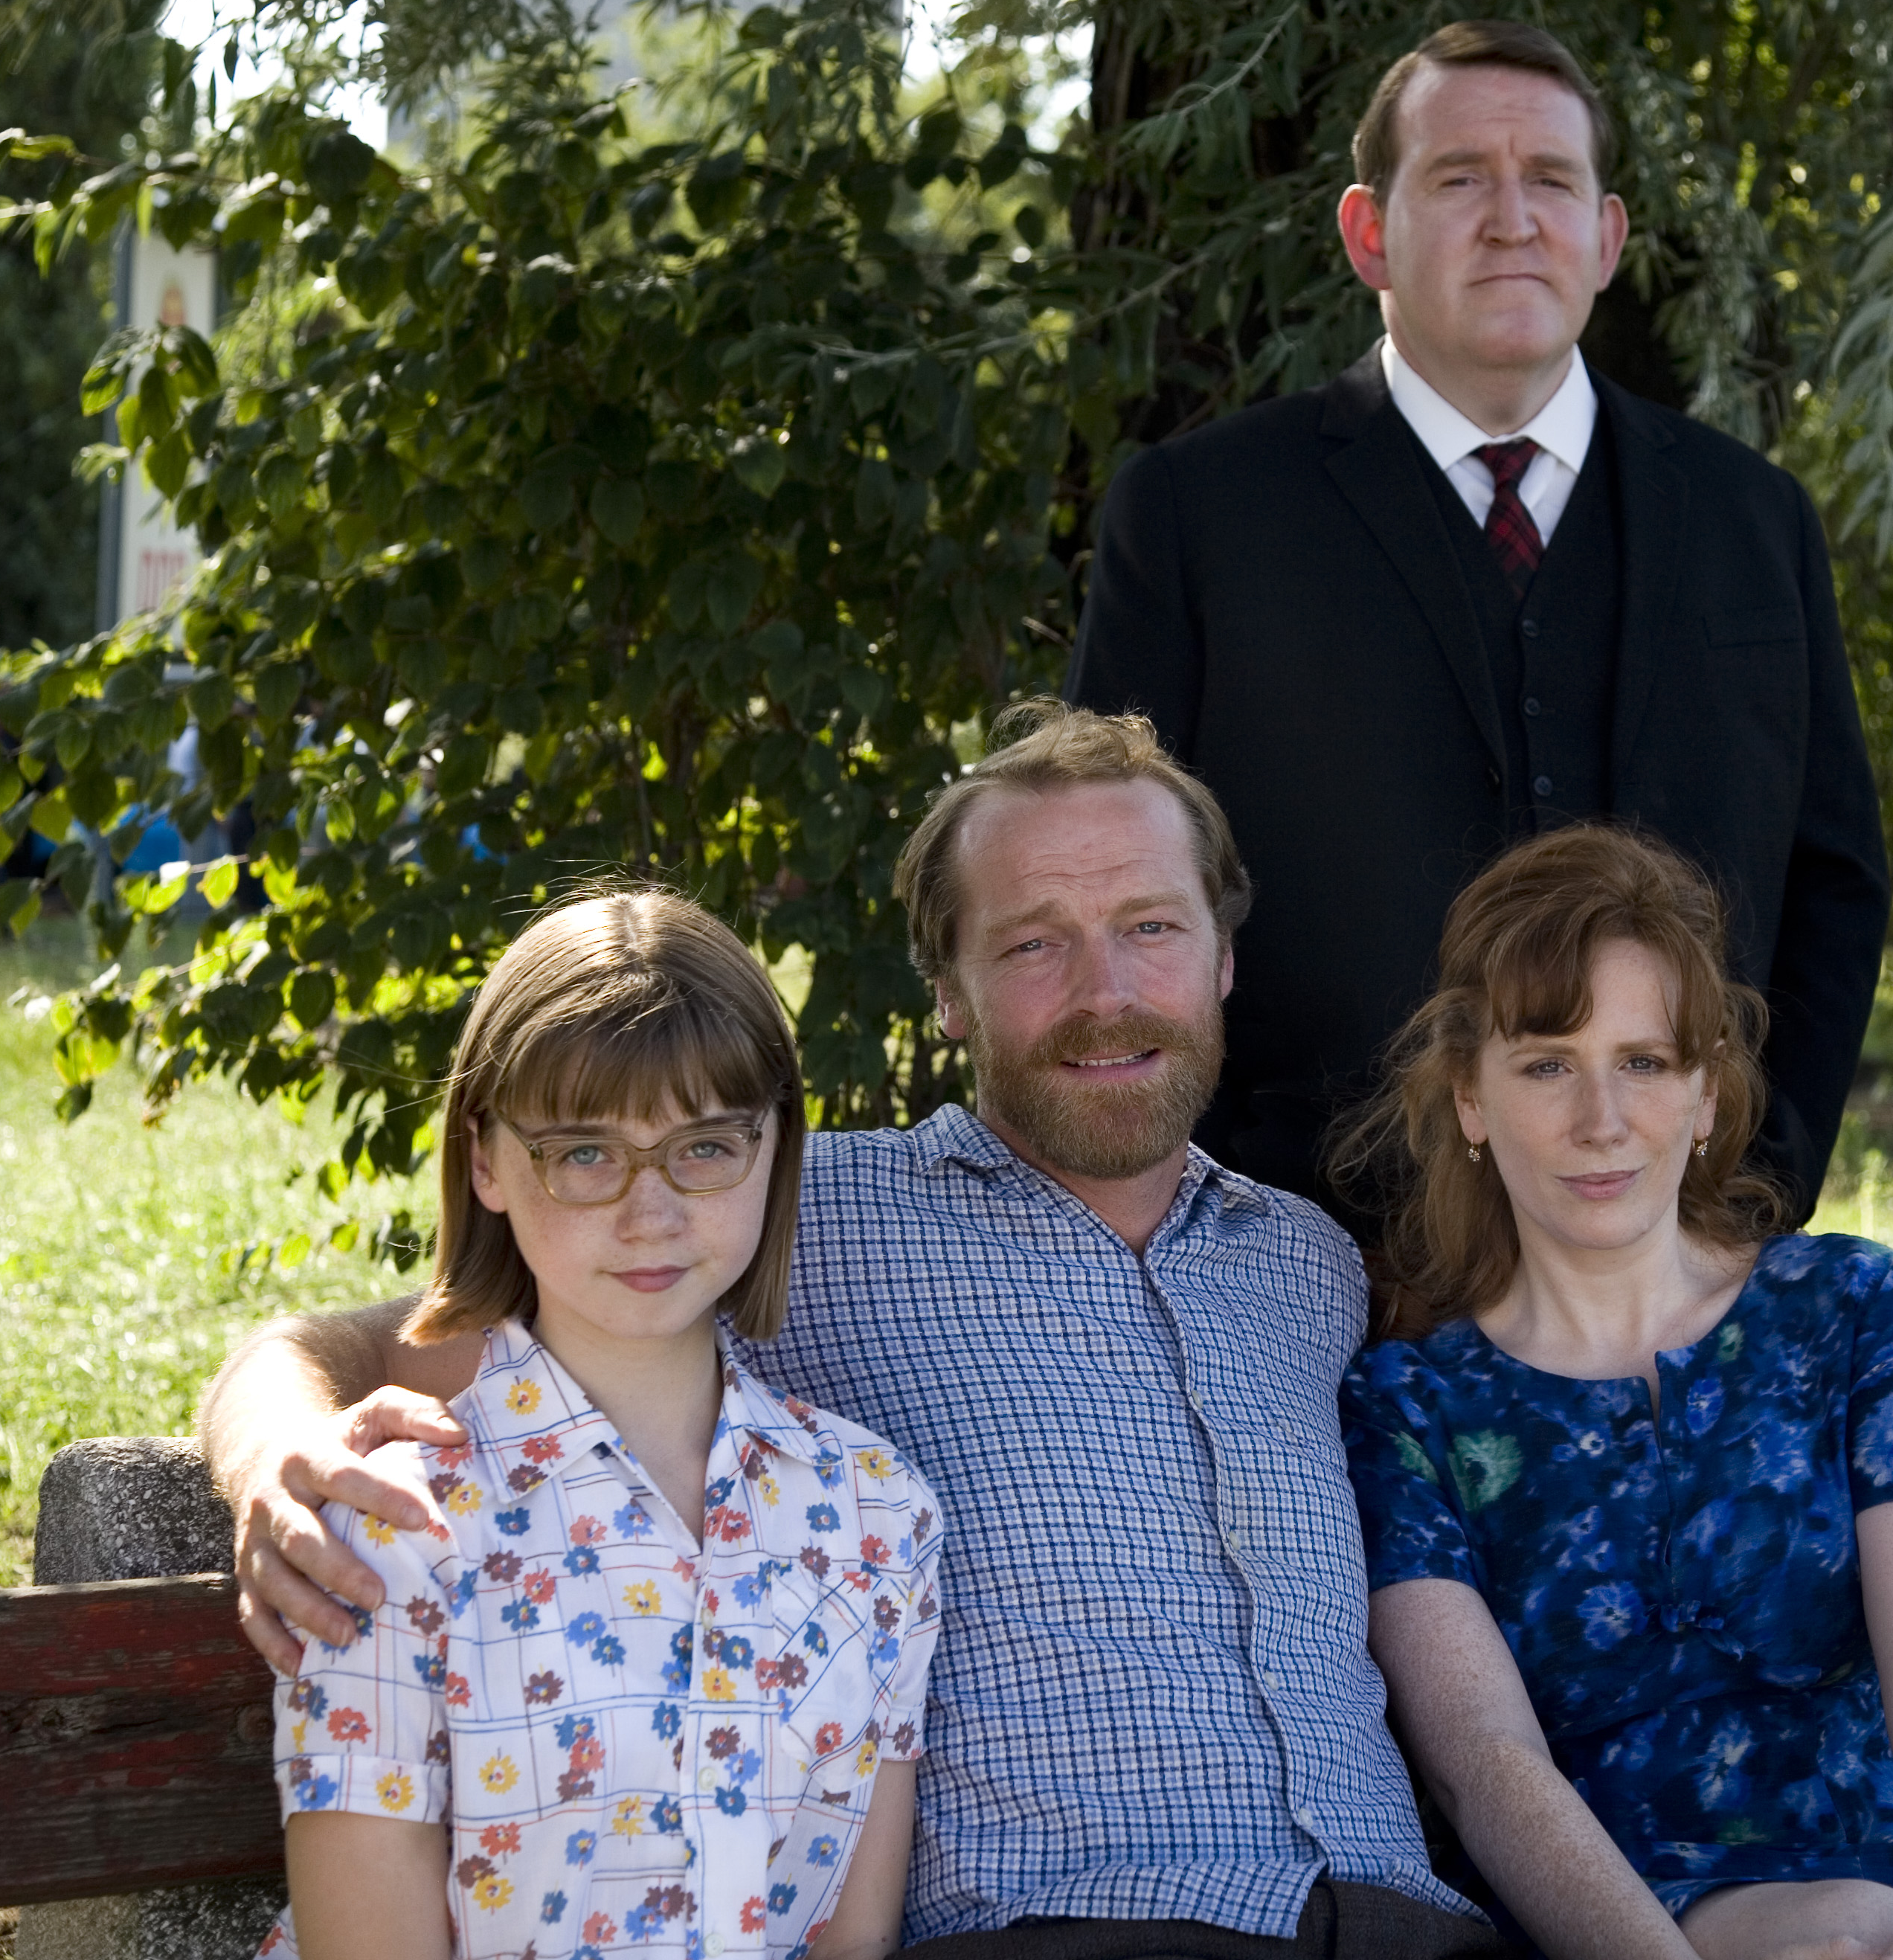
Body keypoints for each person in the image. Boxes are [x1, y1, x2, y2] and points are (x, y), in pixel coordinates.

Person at [202, 701, 1486, 1960]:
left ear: (1221, 957)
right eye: (1035, 945)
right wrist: (279, 1468)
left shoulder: (1309, 1265)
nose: (1108, 992)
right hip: (1075, 1925)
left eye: (1150, 927)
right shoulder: (779, 1212)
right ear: (949, 996)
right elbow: (345, 1347)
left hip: (1399, 1916)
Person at [1068, 19, 1887, 1233]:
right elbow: (1114, 881)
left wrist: (1756, 1192)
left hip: (1684, 1251)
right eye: (1460, 179)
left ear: (1606, 240)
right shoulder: (1197, 517)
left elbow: (1835, 880)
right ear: (1368, 234)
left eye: (1551, 181)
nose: (1514, 219)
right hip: (1306, 1257)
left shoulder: (1753, 518)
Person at [1338, 826, 1893, 1960]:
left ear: (1711, 1094)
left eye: (1645, 1061)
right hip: (1615, 1928)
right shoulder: (1411, 1412)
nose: (1603, 1120)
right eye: (1546, 1064)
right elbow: (1488, 1766)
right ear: (1469, 1101)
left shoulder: (1850, 1313)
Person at [258, 888, 939, 1960]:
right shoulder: (400, 1527)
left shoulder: (876, 1514)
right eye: (584, 1154)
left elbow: (851, 1940)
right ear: (485, 1160)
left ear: (773, 1148)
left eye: (707, 1147)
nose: (651, 1212)